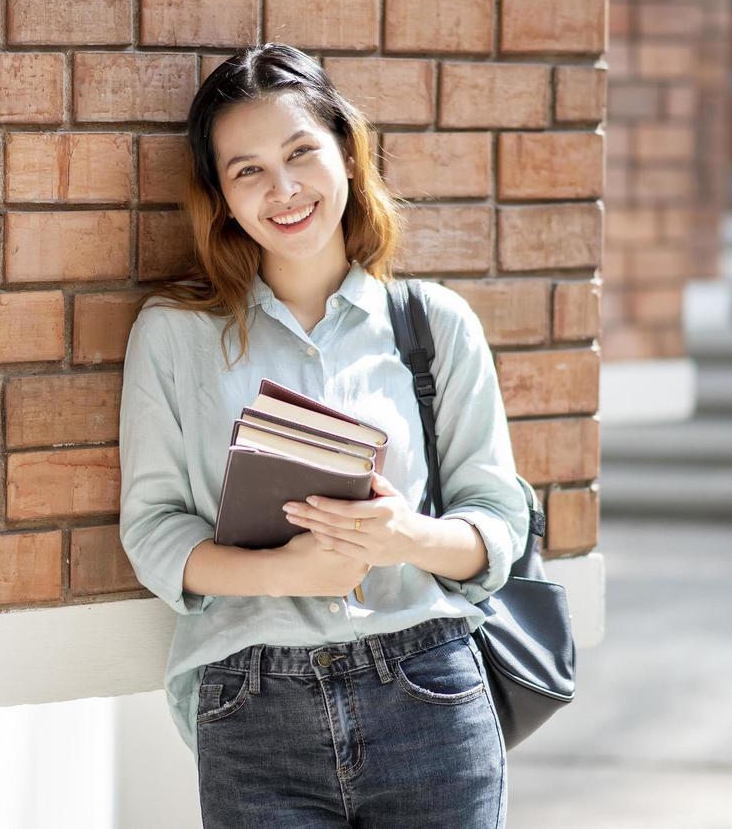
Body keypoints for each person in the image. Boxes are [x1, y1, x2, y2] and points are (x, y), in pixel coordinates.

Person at [117, 42, 532, 828]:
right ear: (222, 197)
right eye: (247, 170)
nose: (283, 189)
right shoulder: (174, 334)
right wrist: (286, 572)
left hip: (427, 691)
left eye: (301, 152)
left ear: (346, 149)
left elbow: (499, 522)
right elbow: (154, 534)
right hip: (253, 707)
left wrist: (403, 536)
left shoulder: (433, 325)